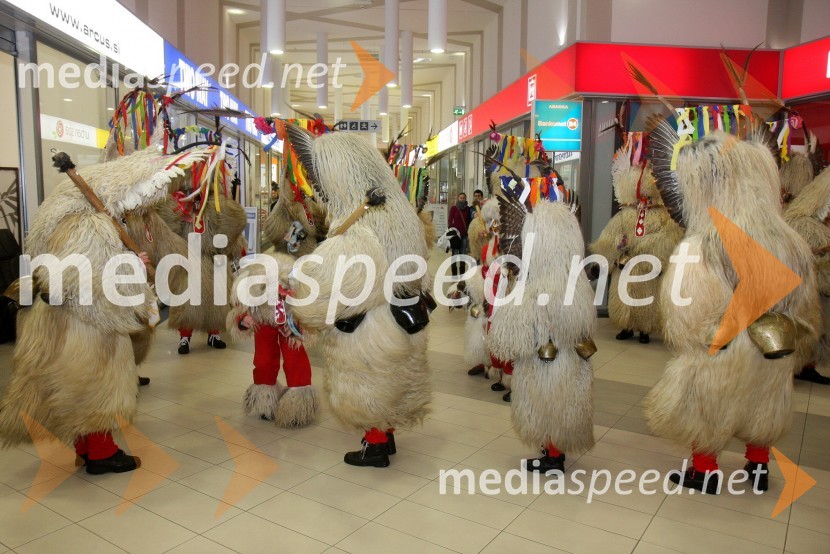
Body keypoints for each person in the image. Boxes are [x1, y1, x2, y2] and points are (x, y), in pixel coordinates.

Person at [645, 115, 819, 494]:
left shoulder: (704, 242)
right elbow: (805, 307)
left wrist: (701, 333)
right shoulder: (791, 241)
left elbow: (687, 310)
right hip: (774, 347)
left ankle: (704, 471)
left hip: (722, 346)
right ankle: (758, 467)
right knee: (764, 405)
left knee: (706, 404)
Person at [281, 125, 433, 468]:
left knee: (368, 385)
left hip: (371, 331)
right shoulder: (404, 219)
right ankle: (387, 433)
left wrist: (299, 282)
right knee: (394, 382)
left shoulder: (359, 231)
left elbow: (330, 288)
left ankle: (375, 445)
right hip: (406, 321)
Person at [589, 135, 683, 344]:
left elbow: (669, 237)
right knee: (622, 295)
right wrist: (611, 251)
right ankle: (627, 326)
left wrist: (647, 249)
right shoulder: (625, 215)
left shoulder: (664, 216)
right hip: (625, 264)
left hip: (648, 266)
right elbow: (609, 236)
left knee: (647, 297)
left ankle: (645, 329)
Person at [448, 193, 470, 276]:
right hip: (455, 236)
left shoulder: (467, 209)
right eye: (461, 197)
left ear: (465, 198)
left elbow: (468, 221)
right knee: (454, 253)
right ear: (458, 198)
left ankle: (462, 273)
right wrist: (453, 229)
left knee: (463, 253)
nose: (462, 199)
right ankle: (454, 273)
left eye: (464, 198)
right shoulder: (454, 208)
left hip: (464, 235)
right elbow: (450, 220)